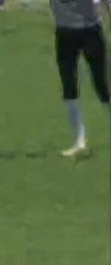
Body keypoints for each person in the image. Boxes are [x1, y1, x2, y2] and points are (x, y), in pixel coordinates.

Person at [48, 0, 110, 157]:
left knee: (103, 87)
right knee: (69, 86)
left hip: (90, 31)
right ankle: (79, 141)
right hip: (64, 34)